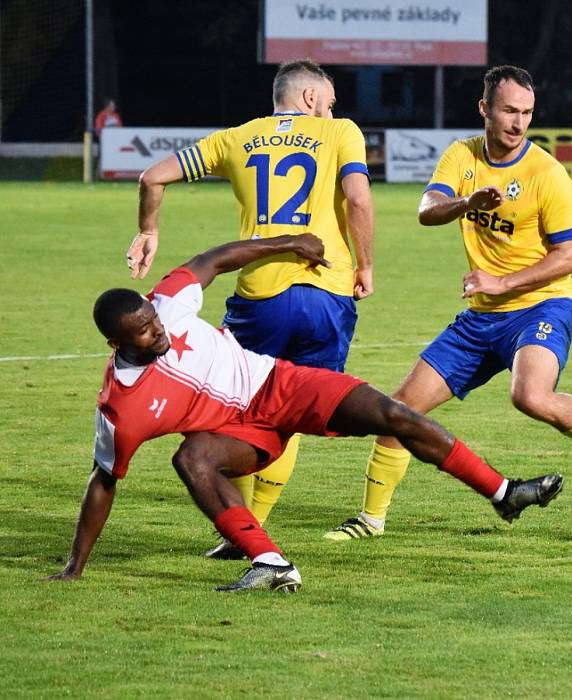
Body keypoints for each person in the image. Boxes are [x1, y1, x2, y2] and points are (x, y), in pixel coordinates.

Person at [48, 234, 564, 592]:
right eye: (142, 329)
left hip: (279, 383)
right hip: (240, 433)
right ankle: (270, 562)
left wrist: (288, 244)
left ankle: (502, 492)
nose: (156, 328)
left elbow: (216, 258)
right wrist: (75, 566)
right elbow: (104, 481)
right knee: (192, 459)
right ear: (117, 343)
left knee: (395, 414)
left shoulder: (167, 304)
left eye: (151, 316)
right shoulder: (121, 409)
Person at [324, 65, 572, 542]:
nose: (518, 122)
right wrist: (467, 203)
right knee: (398, 410)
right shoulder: (462, 156)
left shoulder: (547, 173)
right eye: (509, 110)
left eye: (527, 112)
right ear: (485, 108)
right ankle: (371, 519)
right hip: (482, 317)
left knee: (531, 396)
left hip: (541, 306)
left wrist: (505, 283)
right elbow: (427, 211)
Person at [128, 59, 374, 558]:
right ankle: (252, 528)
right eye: (327, 102)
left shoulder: (236, 138)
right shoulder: (342, 133)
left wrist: (149, 231)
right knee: (295, 410)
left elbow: (152, 177)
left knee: (239, 408)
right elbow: (358, 200)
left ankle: (240, 532)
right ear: (309, 99)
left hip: (260, 297)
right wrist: (365, 266)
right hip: (327, 292)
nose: (332, 110)